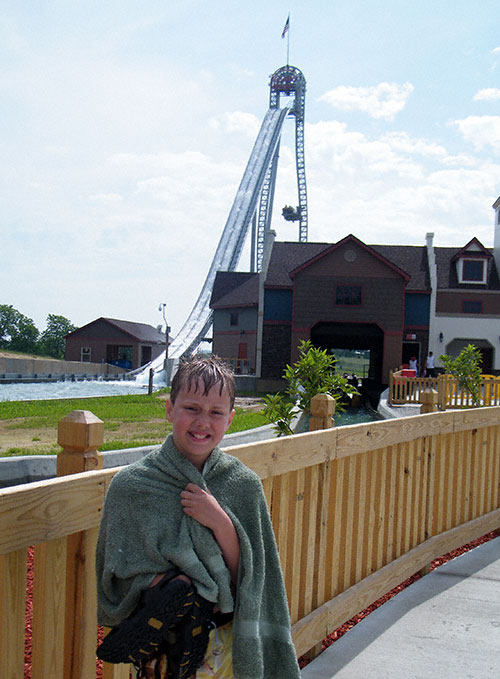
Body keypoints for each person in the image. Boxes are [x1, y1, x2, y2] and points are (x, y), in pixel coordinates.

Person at [96, 356, 301, 679]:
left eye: (216, 412)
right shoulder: (132, 485)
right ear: (169, 409)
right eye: (191, 408)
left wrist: (219, 521)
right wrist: (173, 587)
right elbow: (117, 573)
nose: (203, 422)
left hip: (224, 647)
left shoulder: (242, 484)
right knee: (175, 593)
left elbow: (249, 578)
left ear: (230, 420)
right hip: (160, 650)